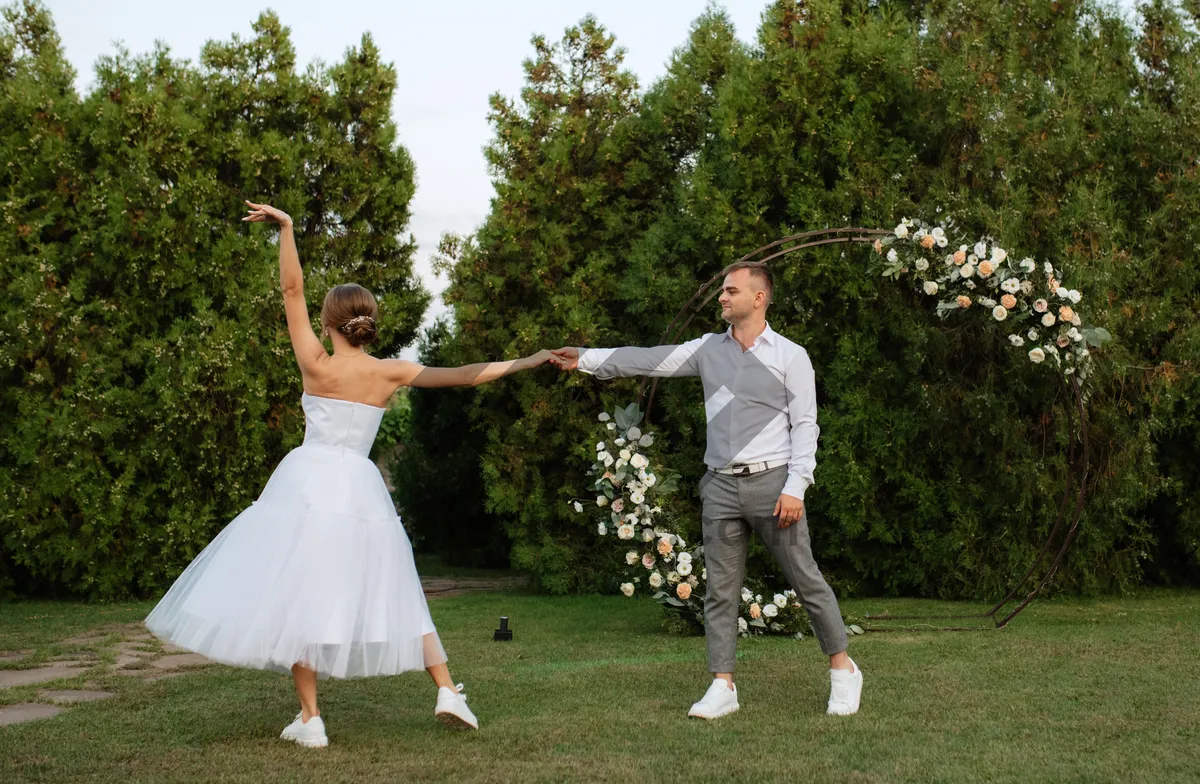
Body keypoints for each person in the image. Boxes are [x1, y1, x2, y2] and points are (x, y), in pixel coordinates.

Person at [146, 201, 562, 747]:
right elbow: (464, 376)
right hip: (361, 490)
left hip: (307, 484)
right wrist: (528, 360)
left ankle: (312, 719)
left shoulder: (316, 364)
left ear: (330, 322)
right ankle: (447, 691)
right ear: (368, 323)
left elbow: (290, 292)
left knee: (297, 594)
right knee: (396, 588)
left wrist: (288, 230)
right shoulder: (389, 372)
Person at [552, 261, 863, 719]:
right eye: (723, 290)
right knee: (720, 590)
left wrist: (796, 487)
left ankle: (843, 671)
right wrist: (585, 357)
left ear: (759, 298)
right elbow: (648, 358)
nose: (722, 296)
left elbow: (807, 426)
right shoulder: (705, 350)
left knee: (806, 580)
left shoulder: (790, 356)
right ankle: (723, 686)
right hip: (719, 487)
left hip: (774, 486)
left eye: (731, 290)